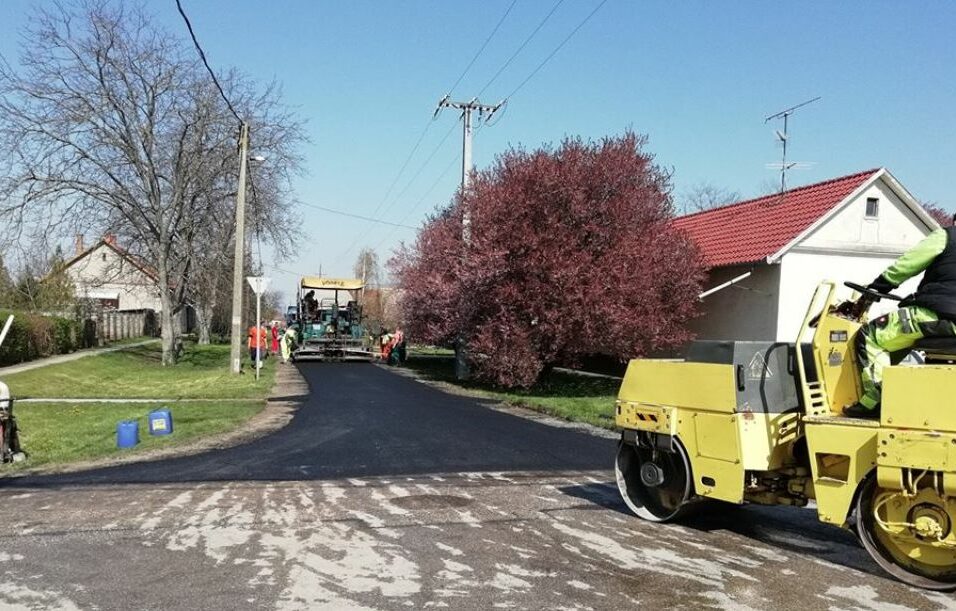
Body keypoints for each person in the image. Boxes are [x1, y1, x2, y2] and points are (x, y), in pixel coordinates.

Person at [847, 219, 956, 418]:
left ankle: (876, 401)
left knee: (871, 335)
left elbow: (907, 264)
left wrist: (878, 287)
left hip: (940, 313)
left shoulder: (948, 236)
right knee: (902, 337)